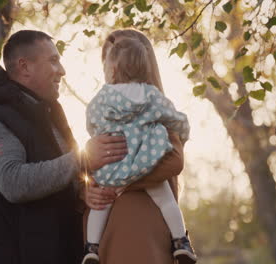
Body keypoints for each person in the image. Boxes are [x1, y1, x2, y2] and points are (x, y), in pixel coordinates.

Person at [0, 30, 126, 264]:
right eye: (53, 60)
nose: (62, 70)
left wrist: (81, 193)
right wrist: (83, 159)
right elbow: (13, 182)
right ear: (25, 67)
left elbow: (60, 177)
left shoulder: (50, 117)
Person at [82, 29, 197, 264]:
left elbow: (174, 161)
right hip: (109, 232)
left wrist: (121, 184)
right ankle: (91, 249)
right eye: (107, 57)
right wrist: (84, 187)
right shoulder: (146, 108)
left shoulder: (155, 118)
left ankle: (180, 243)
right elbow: (85, 173)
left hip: (142, 227)